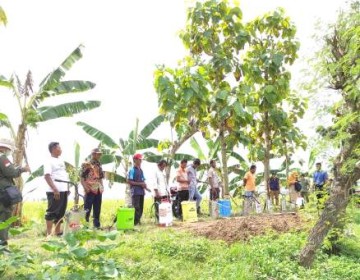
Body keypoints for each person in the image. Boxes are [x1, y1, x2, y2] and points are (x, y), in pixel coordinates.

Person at [0, 138, 30, 247]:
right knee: (4, 217)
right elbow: (11, 172)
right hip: (3, 193)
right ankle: (2, 244)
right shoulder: (2, 158)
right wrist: (23, 169)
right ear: (4, 148)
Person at [44, 142, 69, 236]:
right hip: (54, 191)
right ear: (54, 149)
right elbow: (47, 176)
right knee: (51, 212)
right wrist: (55, 189)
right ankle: (49, 234)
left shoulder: (61, 161)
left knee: (61, 212)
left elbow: (63, 175)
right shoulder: (48, 161)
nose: (61, 149)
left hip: (63, 190)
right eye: (59, 148)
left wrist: (67, 188)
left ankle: (58, 232)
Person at [80, 148, 104, 229]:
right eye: (98, 154)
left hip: (98, 189)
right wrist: (85, 187)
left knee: (97, 208)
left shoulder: (99, 164)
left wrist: (102, 186)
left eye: (100, 154)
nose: (99, 155)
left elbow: (100, 177)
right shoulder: (87, 164)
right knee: (87, 209)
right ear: (93, 154)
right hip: (89, 189)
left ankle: (96, 226)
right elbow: (82, 178)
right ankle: (85, 226)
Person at [127, 153, 147, 226]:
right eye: (139, 159)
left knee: (141, 206)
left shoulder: (141, 170)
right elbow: (129, 181)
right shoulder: (132, 170)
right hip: (135, 191)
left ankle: (138, 220)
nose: (140, 161)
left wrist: (144, 185)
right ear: (135, 160)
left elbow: (143, 180)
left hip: (141, 191)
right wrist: (140, 184)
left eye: (141, 160)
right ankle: (135, 222)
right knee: (136, 207)